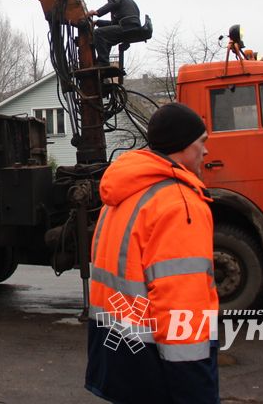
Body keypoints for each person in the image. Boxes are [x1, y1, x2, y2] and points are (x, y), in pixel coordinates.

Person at [85, 102, 219, 404]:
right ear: (183, 146)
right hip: (158, 369)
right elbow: (182, 305)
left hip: (119, 355)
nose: (206, 152)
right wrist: (196, 391)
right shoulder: (180, 204)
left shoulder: (121, 196)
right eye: (202, 142)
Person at [87, 0, 142, 66]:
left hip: (127, 26)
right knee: (106, 38)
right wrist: (98, 22)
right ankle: (102, 61)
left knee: (98, 33)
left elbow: (114, 3)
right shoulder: (127, 2)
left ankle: (103, 62)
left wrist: (97, 12)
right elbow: (114, 24)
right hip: (131, 26)